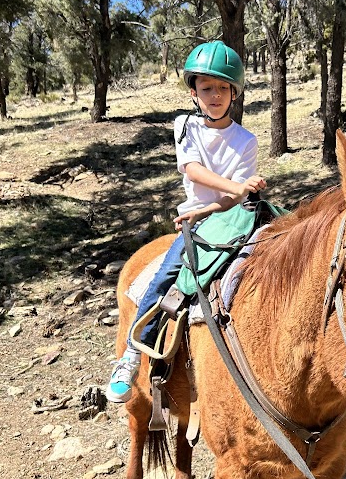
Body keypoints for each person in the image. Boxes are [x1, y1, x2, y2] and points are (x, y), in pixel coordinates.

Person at [106, 40, 266, 403]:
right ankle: (131, 355)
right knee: (165, 276)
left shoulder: (246, 140)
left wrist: (228, 199)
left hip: (234, 217)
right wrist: (234, 189)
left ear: (234, 92)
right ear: (193, 92)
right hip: (197, 222)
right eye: (206, 88)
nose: (215, 95)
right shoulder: (185, 126)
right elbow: (192, 170)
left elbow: (236, 199)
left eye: (223, 87)